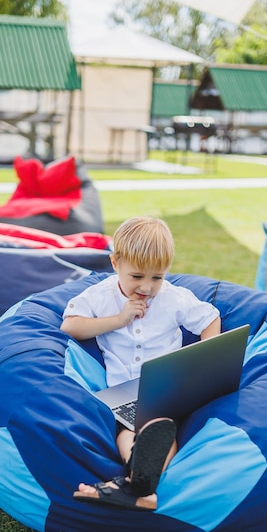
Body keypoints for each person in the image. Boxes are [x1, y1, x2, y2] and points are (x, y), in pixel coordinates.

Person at [61, 216, 221, 510]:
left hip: (167, 385)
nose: (147, 287)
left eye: (156, 278)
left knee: (161, 424)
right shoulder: (100, 296)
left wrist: (204, 358)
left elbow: (210, 318)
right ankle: (142, 486)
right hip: (123, 390)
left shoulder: (174, 299)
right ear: (115, 263)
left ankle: (138, 484)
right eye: (137, 276)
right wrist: (119, 320)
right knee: (129, 428)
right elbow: (70, 326)